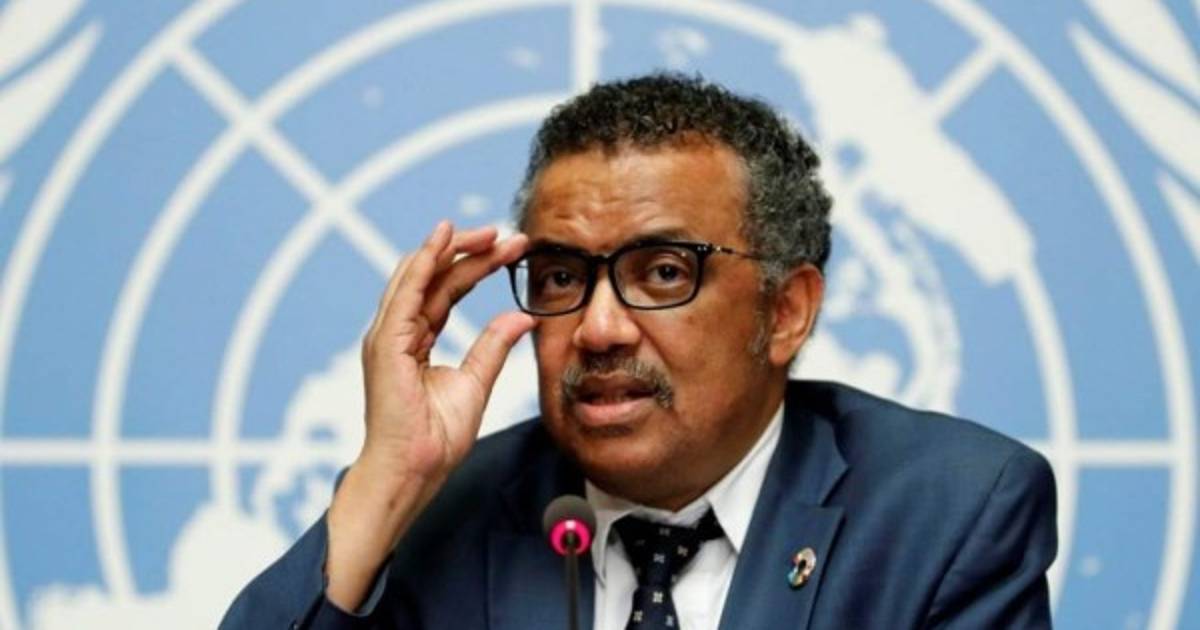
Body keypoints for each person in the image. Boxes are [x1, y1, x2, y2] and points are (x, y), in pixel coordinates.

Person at [221, 74, 1057, 629]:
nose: (598, 330)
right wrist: (385, 485)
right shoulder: (443, 512)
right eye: (560, 276)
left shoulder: (946, 513)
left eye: (662, 273)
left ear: (786, 310)